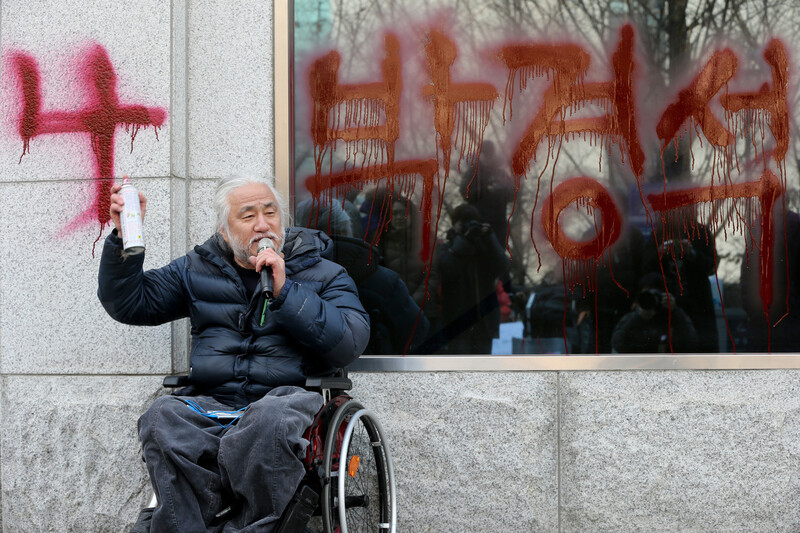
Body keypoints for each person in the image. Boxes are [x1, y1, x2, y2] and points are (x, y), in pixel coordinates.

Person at [97, 174, 369, 532]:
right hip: (213, 402)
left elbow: (350, 341)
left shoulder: (324, 273)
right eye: (248, 215)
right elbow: (131, 303)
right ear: (225, 232)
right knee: (162, 416)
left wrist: (286, 291)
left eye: (270, 213)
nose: (262, 225)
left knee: (268, 422)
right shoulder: (196, 269)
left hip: (284, 399)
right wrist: (122, 240)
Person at [295, 198, 429, 354]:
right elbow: (416, 330)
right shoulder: (384, 281)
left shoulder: (282, 280)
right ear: (346, 230)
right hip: (378, 369)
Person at [436, 203, 510, 354]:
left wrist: (490, 237)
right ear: (454, 225)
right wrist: (463, 241)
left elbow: (502, 267)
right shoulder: (447, 248)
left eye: (472, 221)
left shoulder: (484, 248)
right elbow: (448, 271)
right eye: (463, 222)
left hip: (484, 323)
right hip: (458, 323)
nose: (468, 226)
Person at [611, 272, 697, 353]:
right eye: (648, 294)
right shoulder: (633, 317)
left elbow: (691, 342)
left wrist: (675, 312)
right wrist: (638, 317)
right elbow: (617, 344)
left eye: (657, 294)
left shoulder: (674, 316)